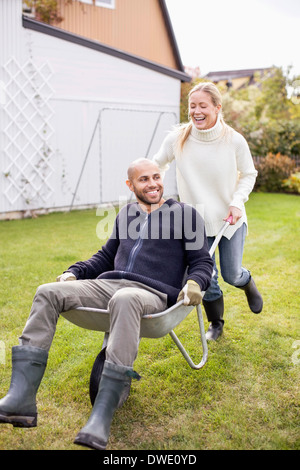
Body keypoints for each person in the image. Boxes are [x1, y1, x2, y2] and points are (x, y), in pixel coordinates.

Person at [0, 158, 213, 450]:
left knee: (125, 299)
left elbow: (202, 261)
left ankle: (101, 416)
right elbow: (105, 256)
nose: (152, 184)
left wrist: (195, 283)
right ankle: (21, 399)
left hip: (150, 294)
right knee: (47, 292)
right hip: (110, 285)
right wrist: (75, 271)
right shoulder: (126, 214)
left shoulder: (185, 215)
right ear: (131, 185)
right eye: (143, 179)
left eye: (156, 177)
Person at [153, 82, 263, 341]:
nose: (196, 111)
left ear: (217, 107)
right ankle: (216, 323)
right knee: (208, 277)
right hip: (195, 223)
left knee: (231, 274)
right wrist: (153, 192)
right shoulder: (177, 138)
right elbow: (156, 166)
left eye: (203, 106)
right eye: (192, 106)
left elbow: (249, 174)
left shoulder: (234, 140)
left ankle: (246, 283)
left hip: (229, 220)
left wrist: (237, 202)